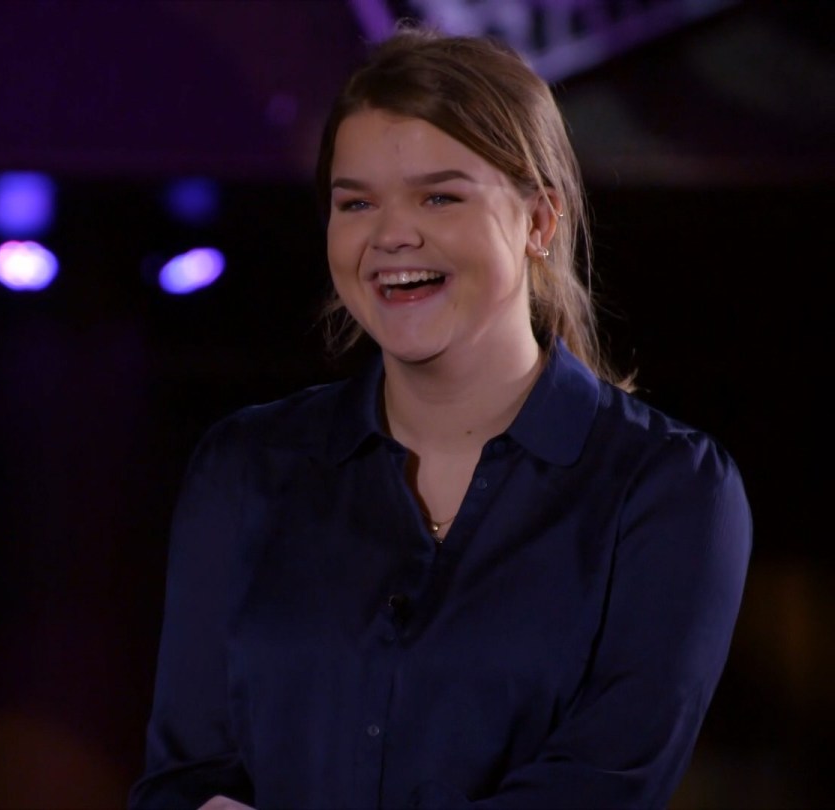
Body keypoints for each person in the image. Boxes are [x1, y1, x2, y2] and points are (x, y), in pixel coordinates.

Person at [130, 25, 752, 810]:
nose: (391, 235)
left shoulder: (666, 490)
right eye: (356, 202)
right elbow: (183, 783)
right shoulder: (244, 468)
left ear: (539, 221)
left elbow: (594, 791)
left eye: (440, 196)